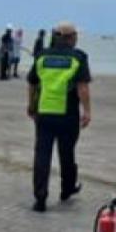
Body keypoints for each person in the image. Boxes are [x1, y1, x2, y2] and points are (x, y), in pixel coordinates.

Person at [27, 21, 91, 212]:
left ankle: (40, 198)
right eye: (76, 35)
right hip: (68, 115)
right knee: (67, 153)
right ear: (71, 38)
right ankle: (67, 189)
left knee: (42, 155)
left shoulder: (42, 56)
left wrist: (31, 105)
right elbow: (82, 87)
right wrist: (87, 111)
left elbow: (32, 83)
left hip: (45, 112)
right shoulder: (78, 57)